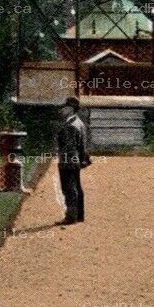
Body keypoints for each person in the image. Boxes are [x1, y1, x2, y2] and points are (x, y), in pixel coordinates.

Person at [55, 96, 91, 224]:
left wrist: (63, 161)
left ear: (71, 109)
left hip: (68, 160)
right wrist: (82, 159)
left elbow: (68, 147)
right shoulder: (80, 122)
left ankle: (71, 216)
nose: (62, 110)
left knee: (68, 188)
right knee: (77, 187)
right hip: (76, 159)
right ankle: (79, 215)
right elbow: (83, 144)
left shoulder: (70, 126)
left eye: (65, 107)